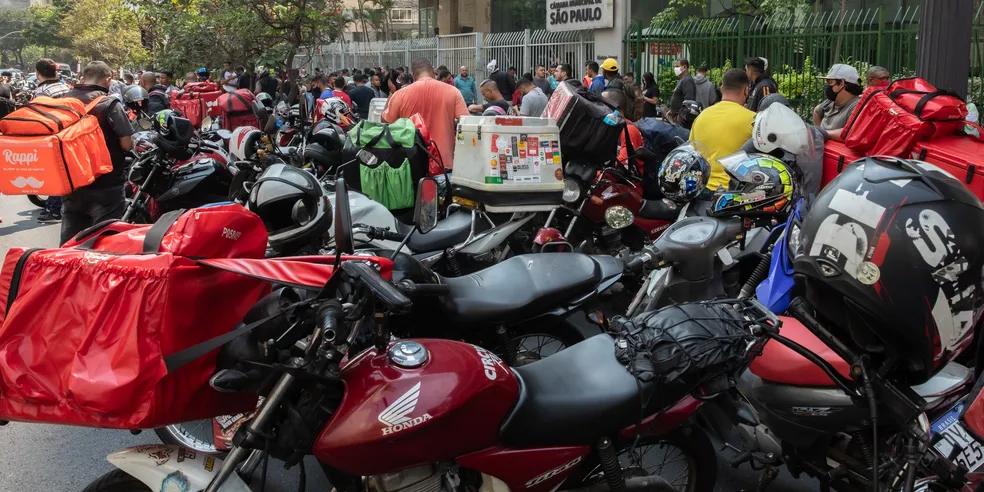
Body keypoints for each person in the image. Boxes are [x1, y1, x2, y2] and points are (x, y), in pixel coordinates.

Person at [60, 61, 135, 244]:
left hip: (72, 181)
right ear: (108, 79)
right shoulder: (110, 103)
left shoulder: (63, 101)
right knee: (103, 241)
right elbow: (126, 144)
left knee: (70, 241)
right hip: (106, 183)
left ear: (83, 77)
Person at [382, 58, 467, 169]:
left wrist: (391, 93)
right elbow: (466, 122)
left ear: (413, 75)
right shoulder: (453, 91)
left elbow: (386, 121)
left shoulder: (400, 95)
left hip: (412, 161)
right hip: (443, 161)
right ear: (433, 70)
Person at [740, 94, 825, 199]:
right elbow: (828, 133)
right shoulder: (813, 131)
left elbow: (739, 159)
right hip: (810, 200)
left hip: (789, 202)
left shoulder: (769, 138)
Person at [689, 68, 755, 194]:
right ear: (746, 90)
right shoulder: (753, 120)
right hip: (734, 193)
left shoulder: (701, 116)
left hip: (702, 189)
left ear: (721, 89)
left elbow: (692, 152)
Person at [813, 64, 863, 138]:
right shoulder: (830, 102)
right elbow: (816, 111)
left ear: (841, 84)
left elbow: (851, 133)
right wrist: (818, 136)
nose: (826, 86)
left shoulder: (856, 107)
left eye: (829, 83)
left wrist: (822, 133)